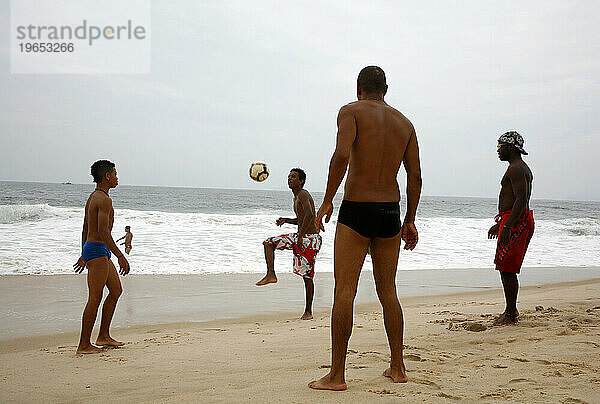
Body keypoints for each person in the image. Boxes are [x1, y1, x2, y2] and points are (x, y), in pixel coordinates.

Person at [309, 66, 422, 391]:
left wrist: (328, 199)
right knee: (388, 291)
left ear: (359, 87)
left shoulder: (350, 111)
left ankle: (337, 375)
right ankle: (397, 367)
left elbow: (342, 154)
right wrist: (410, 218)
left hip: (357, 209)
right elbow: (414, 175)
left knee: (345, 290)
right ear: (385, 89)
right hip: (390, 211)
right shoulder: (405, 124)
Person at [73, 160, 130, 354]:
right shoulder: (103, 199)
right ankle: (83, 345)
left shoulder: (93, 197)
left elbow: (85, 228)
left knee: (115, 290)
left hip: (96, 250)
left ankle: (103, 336)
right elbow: (103, 232)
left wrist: (83, 253)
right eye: (115, 173)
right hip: (98, 250)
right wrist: (120, 256)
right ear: (107, 176)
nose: (117, 177)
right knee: (95, 298)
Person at [255, 168, 322, 320]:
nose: (290, 179)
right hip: (304, 236)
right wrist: (287, 220)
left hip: (309, 239)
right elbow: (302, 219)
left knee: (307, 276)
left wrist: (301, 235)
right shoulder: (296, 197)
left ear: (301, 181)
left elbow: (311, 214)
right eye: (289, 176)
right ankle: (271, 274)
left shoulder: (303, 194)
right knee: (269, 243)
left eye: (293, 177)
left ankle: (308, 312)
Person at [487, 131, 534, 325]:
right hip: (512, 220)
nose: (498, 151)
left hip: (517, 221)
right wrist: (500, 224)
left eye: (500, 147)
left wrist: (507, 226)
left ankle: (511, 314)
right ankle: (510, 310)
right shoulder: (516, 167)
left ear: (511, 148)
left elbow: (521, 200)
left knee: (507, 268)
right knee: (505, 266)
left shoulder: (516, 168)